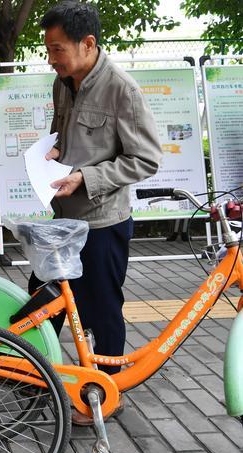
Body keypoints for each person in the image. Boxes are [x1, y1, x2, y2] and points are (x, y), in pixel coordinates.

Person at [32, 1, 162, 423]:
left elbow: (145, 158)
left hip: (103, 222)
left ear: (87, 44)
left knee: (103, 311)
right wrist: (53, 151)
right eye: (48, 50)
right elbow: (63, 134)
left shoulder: (122, 89)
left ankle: (106, 394)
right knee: (43, 296)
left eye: (57, 50)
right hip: (65, 218)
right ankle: (32, 376)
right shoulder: (63, 82)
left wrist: (86, 177)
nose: (51, 59)